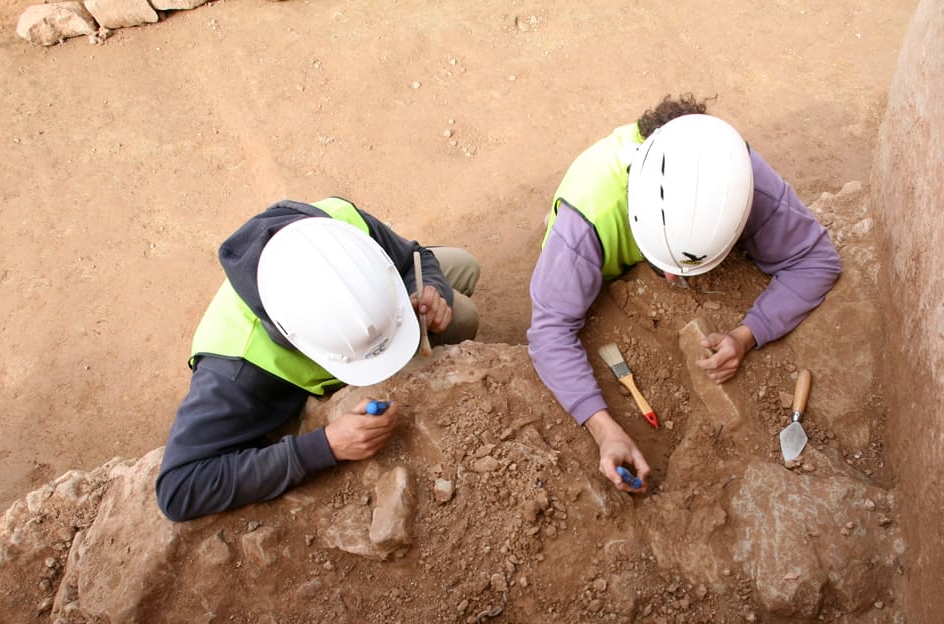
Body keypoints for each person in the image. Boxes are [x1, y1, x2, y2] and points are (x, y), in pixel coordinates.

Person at [527, 94, 842, 493]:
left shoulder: (735, 175)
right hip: (586, 239)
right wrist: (604, 428)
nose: (675, 283)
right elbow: (548, 332)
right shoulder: (586, 221)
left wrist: (746, 335)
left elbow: (817, 260)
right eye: (667, 268)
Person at [156, 196, 480, 522]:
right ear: (297, 341)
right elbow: (179, 487)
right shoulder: (235, 370)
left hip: (374, 292)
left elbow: (414, 257)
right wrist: (326, 445)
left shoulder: (338, 224)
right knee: (464, 318)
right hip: (260, 370)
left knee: (463, 267)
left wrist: (428, 290)